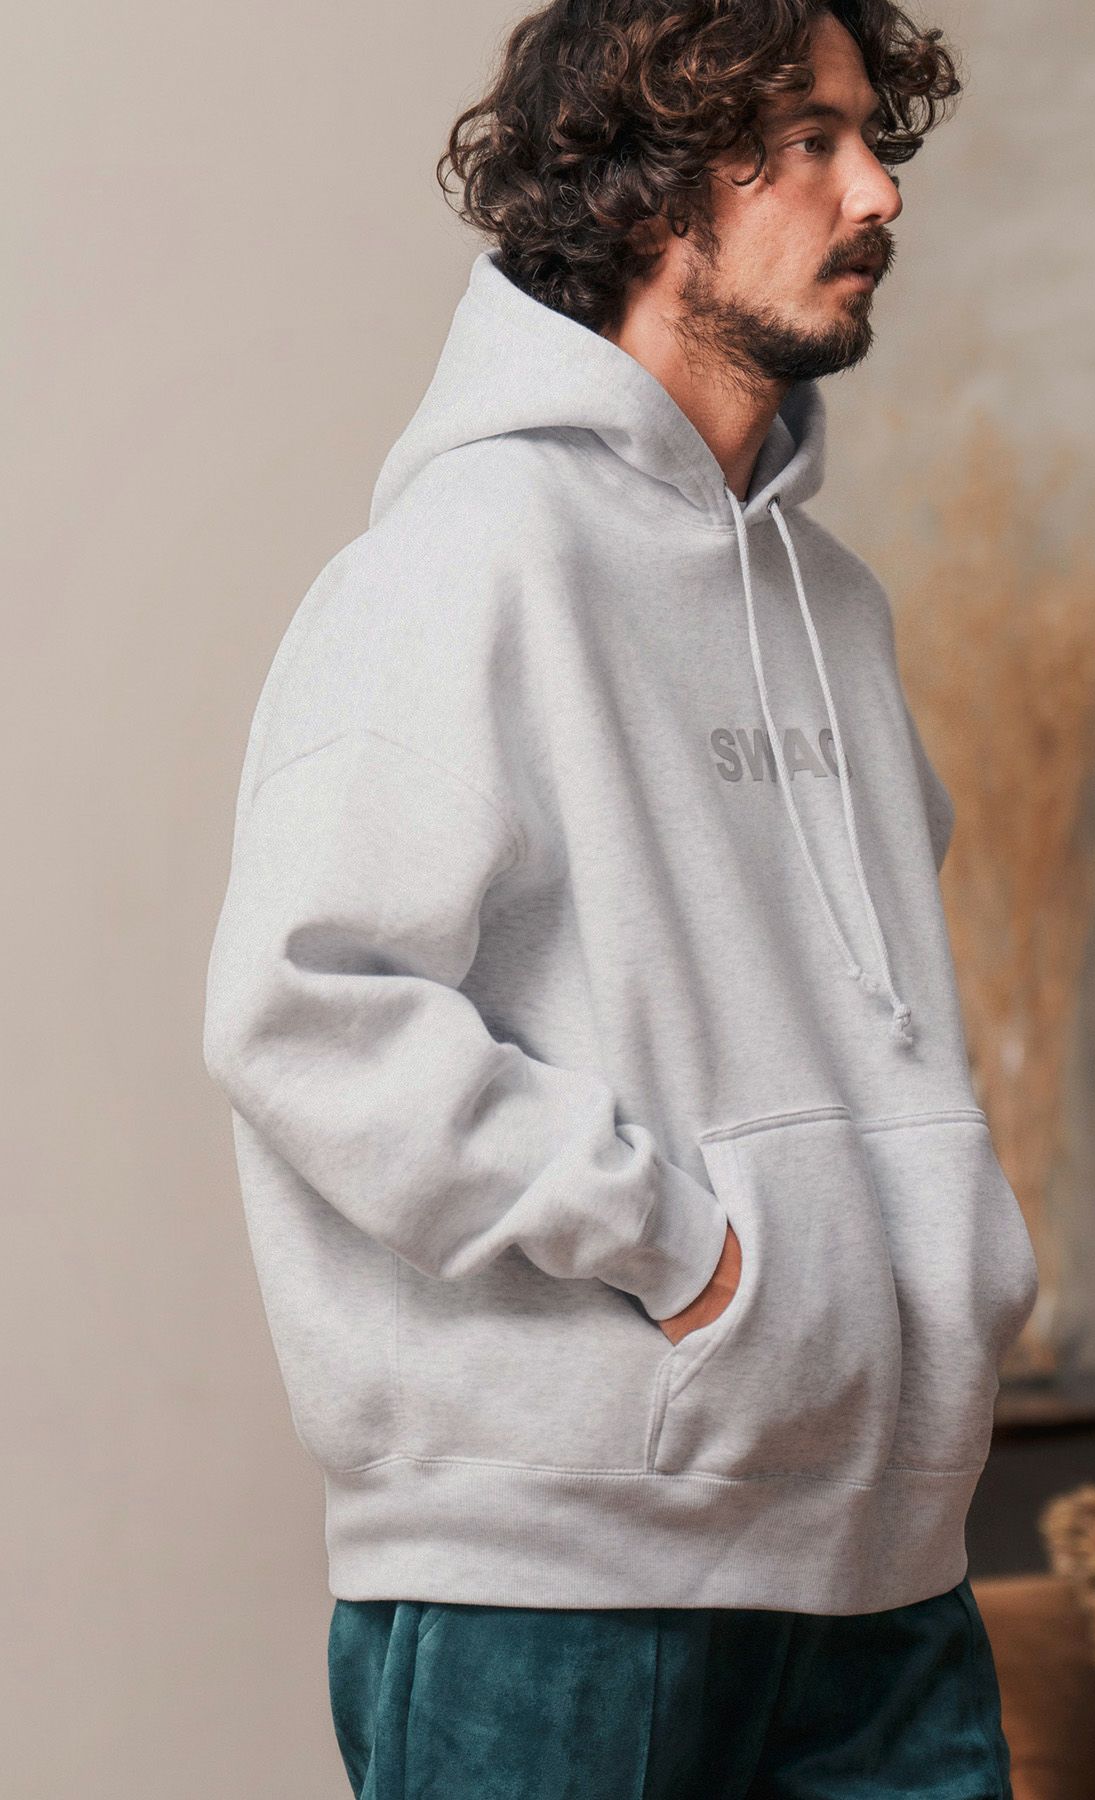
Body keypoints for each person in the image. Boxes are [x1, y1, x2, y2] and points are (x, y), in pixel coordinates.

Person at [201, 1, 1039, 1793]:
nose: (878, 192)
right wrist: (690, 1256)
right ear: (652, 184)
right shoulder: (462, 566)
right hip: (561, 1576)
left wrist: (925, 1280)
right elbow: (306, 1008)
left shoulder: (836, 607)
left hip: (884, 1560)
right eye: (808, 142)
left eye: (869, 138)